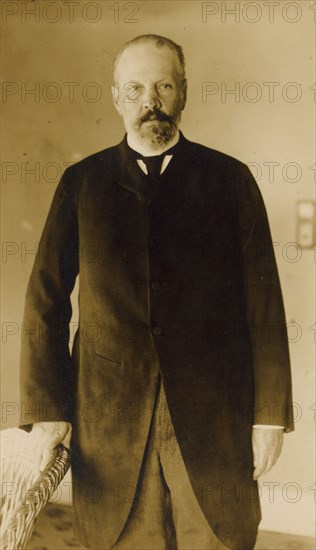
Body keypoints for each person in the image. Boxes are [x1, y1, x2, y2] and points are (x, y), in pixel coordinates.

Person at [20, 35, 294, 550]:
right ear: (117, 97)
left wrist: (270, 416)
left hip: (216, 414)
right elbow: (45, 301)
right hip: (109, 418)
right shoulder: (81, 183)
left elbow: (265, 307)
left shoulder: (231, 181)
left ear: (183, 92)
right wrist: (49, 410)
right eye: (137, 87)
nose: (151, 100)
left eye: (164, 85)